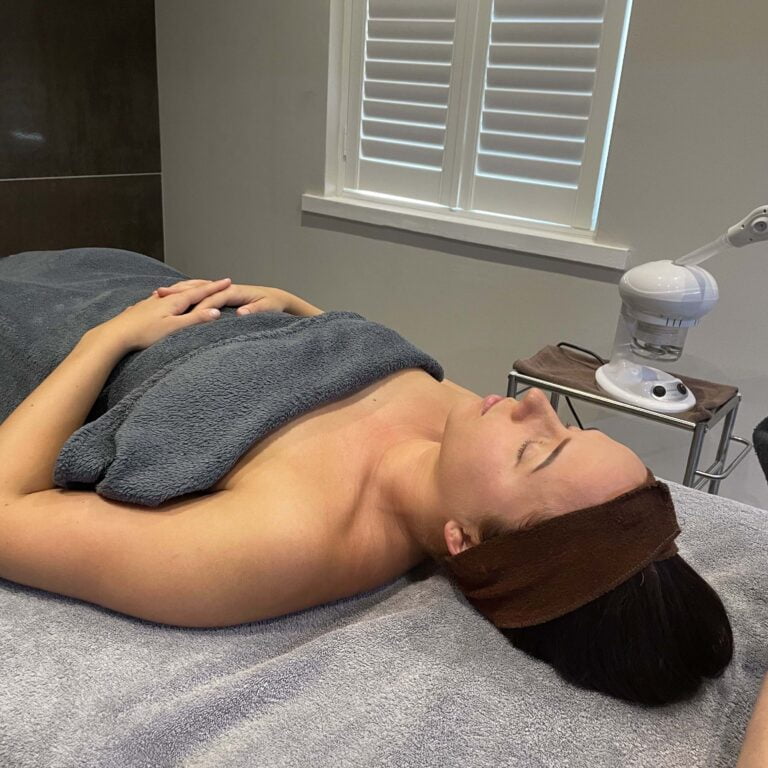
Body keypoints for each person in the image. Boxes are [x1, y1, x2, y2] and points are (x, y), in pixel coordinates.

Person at [0, 276, 732, 705]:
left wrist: (106, 340)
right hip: (158, 281)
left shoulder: (281, 543)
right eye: (571, 430)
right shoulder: (465, 434)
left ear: (463, 539)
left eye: (538, 451)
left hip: (47, 329)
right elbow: (346, 360)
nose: (534, 406)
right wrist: (295, 304)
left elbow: (7, 516)